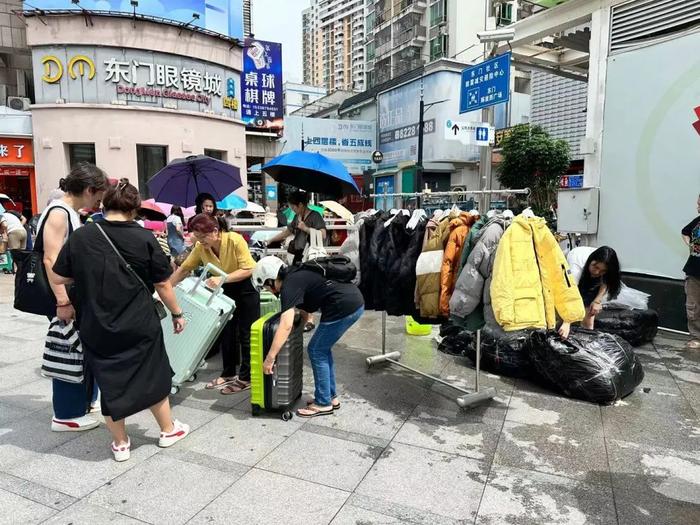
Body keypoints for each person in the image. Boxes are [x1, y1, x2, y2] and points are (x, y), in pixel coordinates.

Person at [51, 179, 190, 462]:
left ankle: (121, 443)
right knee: (153, 373)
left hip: (96, 323)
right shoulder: (144, 238)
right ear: (134, 208)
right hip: (139, 322)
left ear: (104, 204)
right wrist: (177, 314)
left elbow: (60, 276)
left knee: (110, 379)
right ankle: (168, 430)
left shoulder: (82, 236)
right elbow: (163, 284)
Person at [39, 163, 109, 432]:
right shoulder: (59, 213)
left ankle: (82, 405)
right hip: (65, 296)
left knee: (78, 351)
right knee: (68, 351)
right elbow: (50, 258)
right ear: (89, 189)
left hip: (72, 295)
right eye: (99, 195)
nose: (99, 201)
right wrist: (63, 302)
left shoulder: (68, 211)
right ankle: (66, 414)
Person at [252, 256, 364, 417]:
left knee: (317, 350)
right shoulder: (296, 274)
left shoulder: (289, 285)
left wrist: (270, 358)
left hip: (343, 307)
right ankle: (330, 397)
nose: (268, 290)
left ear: (271, 279)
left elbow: (286, 324)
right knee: (322, 350)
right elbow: (305, 309)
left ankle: (323, 403)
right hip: (352, 302)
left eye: (266, 286)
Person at [171, 213, 260, 394]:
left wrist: (223, 278)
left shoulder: (234, 240)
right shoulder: (201, 248)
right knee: (226, 333)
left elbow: (250, 268)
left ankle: (246, 378)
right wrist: (164, 291)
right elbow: (184, 270)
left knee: (246, 334)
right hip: (224, 291)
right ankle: (228, 373)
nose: (200, 240)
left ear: (216, 231)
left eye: (203, 236)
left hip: (246, 288)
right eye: (197, 236)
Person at [268, 191, 327, 332]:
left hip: (310, 257)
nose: (292, 209)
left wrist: (305, 228)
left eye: (293, 206)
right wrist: (272, 239)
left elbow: (323, 234)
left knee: (307, 288)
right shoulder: (297, 216)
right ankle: (303, 315)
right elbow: (288, 232)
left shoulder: (315, 216)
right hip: (298, 257)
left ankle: (310, 319)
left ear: (300, 204)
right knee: (300, 288)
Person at [559, 246, 622, 339]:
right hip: (572, 274)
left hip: (587, 271)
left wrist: (597, 301)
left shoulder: (605, 265)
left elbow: (606, 281)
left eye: (602, 270)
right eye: (595, 267)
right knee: (566, 310)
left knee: (590, 308)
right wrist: (567, 322)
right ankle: (562, 328)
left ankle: (588, 334)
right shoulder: (575, 268)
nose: (597, 272)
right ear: (591, 261)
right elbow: (571, 293)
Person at [682, 194, 700, 349]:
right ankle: (696, 336)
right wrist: (689, 244)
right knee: (693, 305)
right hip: (694, 271)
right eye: (698, 203)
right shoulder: (697, 222)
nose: (698, 206)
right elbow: (685, 232)